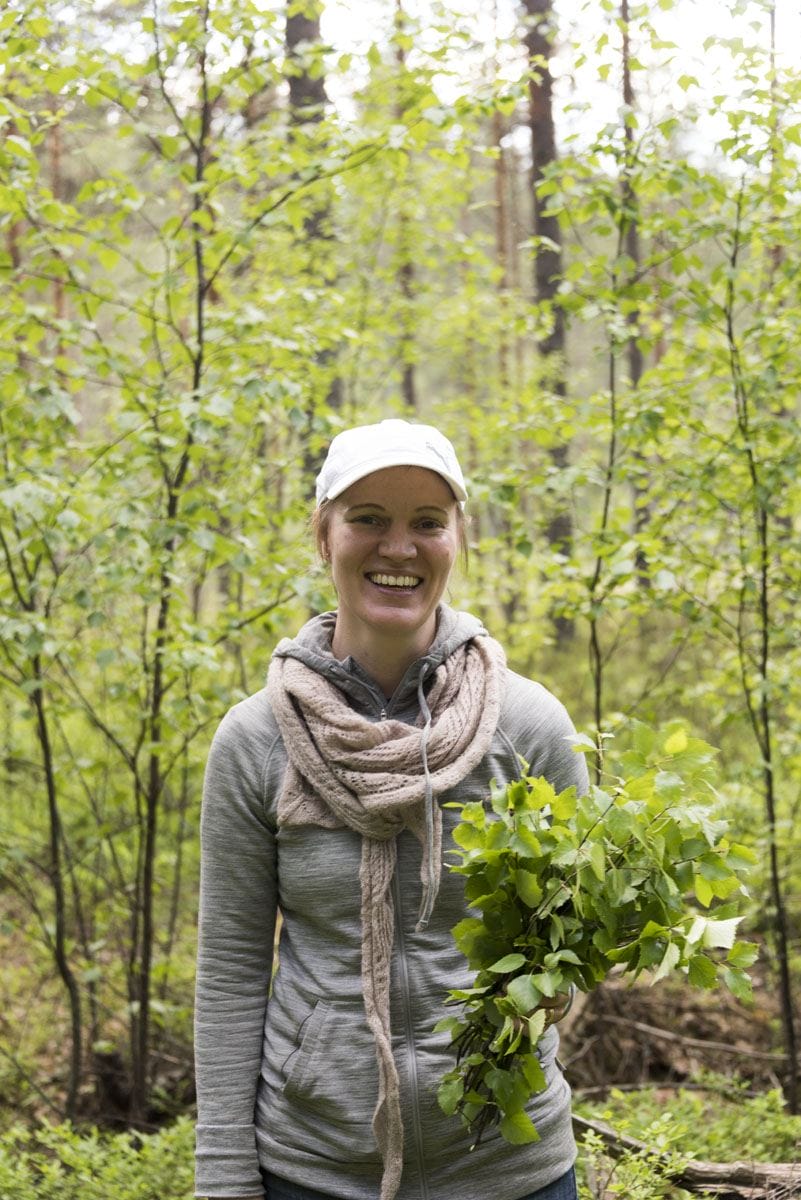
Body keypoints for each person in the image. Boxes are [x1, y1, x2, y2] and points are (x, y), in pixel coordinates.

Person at [194, 418, 589, 1200]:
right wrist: (223, 1179)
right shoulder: (257, 741)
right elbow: (233, 973)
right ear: (323, 534)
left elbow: (570, 949)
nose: (398, 548)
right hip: (312, 1170)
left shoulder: (527, 726)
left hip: (508, 1168)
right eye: (368, 518)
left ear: (456, 540)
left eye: (426, 523)